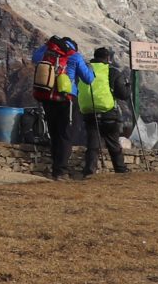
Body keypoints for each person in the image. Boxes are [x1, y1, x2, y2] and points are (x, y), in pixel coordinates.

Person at [75, 45, 127, 175]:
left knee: (93, 144)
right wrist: (127, 87)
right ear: (108, 58)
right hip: (109, 113)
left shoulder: (86, 69)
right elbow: (123, 95)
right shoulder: (112, 71)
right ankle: (120, 170)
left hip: (89, 112)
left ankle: (89, 171)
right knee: (113, 143)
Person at [32, 39, 76, 180]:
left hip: (46, 97)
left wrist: (46, 44)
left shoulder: (46, 52)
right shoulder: (74, 56)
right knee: (65, 135)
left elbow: (34, 58)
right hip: (65, 99)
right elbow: (88, 78)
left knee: (53, 132)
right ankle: (61, 171)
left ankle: (55, 170)